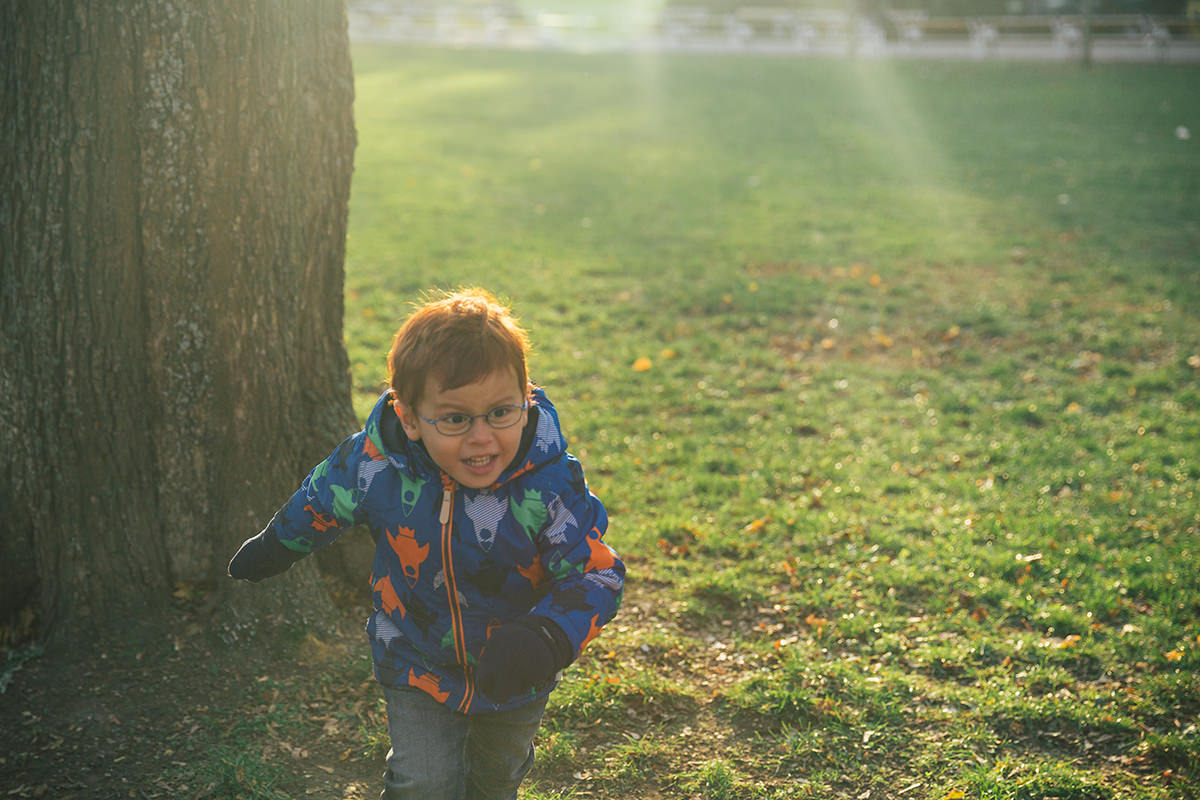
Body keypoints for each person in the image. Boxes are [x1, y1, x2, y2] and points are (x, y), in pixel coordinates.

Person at [227, 287, 625, 799]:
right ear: (410, 418)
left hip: (516, 666)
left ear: (526, 399)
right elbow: (324, 498)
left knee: (497, 778)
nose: (482, 437)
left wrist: (546, 636)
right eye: (456, 418)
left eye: (501, 412)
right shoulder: (377, 464)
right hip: (415, 656)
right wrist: (276, 545)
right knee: (423, 783)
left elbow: (596, 572)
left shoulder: (547, 483)